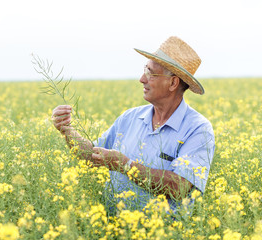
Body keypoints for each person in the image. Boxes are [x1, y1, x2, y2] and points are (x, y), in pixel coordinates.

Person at [52, 36, 215, 214]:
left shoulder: (198, 129)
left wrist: (125, 165)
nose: (142, 79)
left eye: (151, 73)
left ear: (173, 82)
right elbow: (92, 156)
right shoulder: (130, 118)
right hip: (115, 230)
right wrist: (67, 130)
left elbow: (180, 187)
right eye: (145, 70)